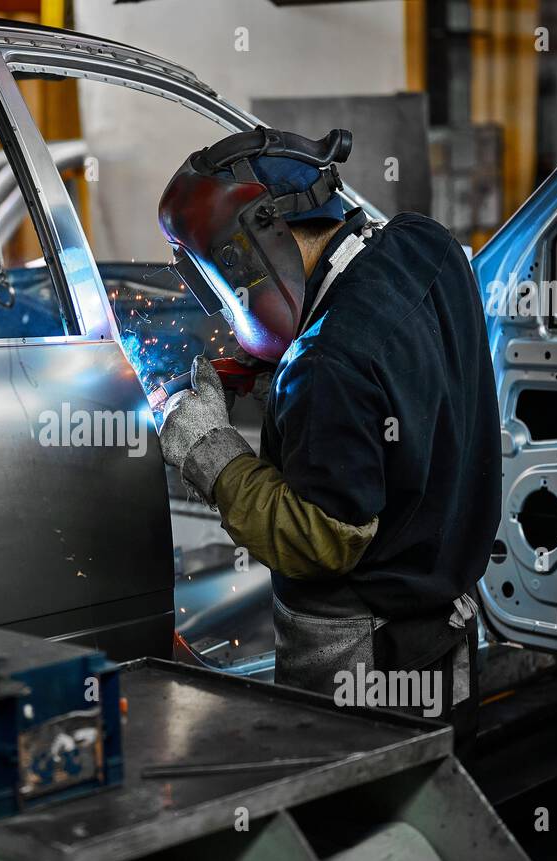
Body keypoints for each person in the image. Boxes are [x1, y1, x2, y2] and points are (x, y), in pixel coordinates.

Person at [156, 127, 500, 743]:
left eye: (222, 280)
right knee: (433, 810)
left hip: (366, 661)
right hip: (445, 630)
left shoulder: (329, 363)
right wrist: (276, 373)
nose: (225, 304)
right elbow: (402, 376)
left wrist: (208, 449)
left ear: (256, 246)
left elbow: (321, 538)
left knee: (350, 820)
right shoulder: (427, 245)